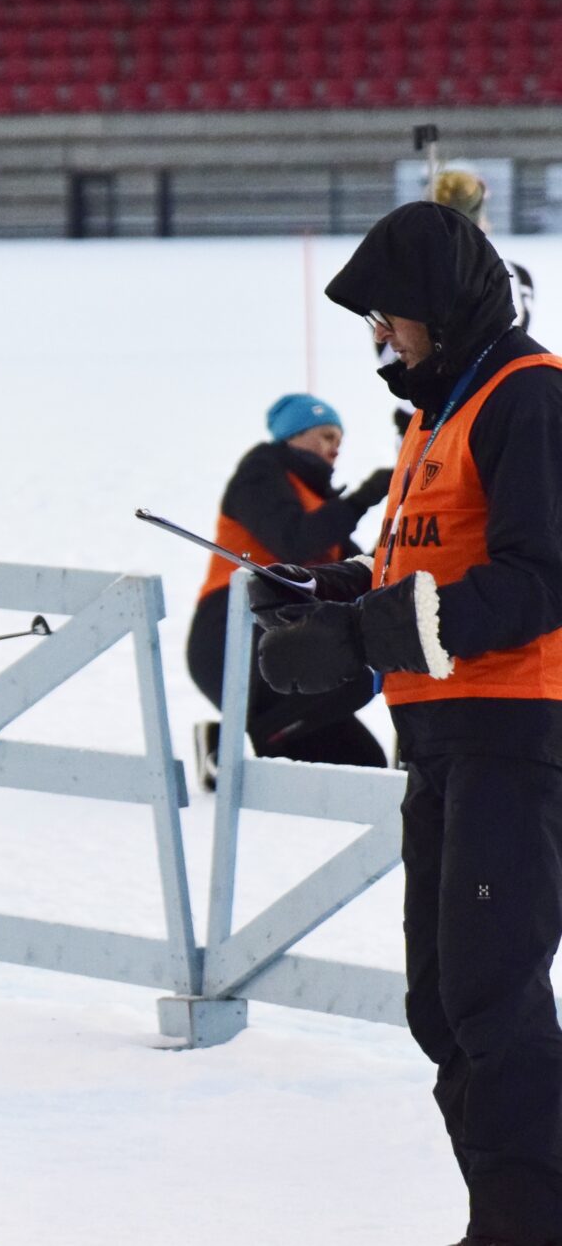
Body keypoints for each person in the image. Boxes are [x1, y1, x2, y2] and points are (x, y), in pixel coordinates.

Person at [255, 201, 562, 1246]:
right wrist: (334, 592)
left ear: (441, 306)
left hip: (513, 733)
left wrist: (365, 638)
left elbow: (535, 579)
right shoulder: (442, 409)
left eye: (392, 321)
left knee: (489, 996)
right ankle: (505, 1211)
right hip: (436, 737)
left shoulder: (526, 398)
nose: (382, 344)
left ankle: (524, 1222)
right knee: (440, 1010)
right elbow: (425, 570)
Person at [184, 393, 392, 781]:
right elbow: (294, 541)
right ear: (295, 435)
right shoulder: (261, 472)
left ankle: (229, 747)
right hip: (230, 630)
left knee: (365, 766)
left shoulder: (322, 503)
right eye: (327, 435)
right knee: (350, 673)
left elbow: (357, 572)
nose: (336, 446)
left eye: (340, 439)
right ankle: (235, 746)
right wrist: (365, 497)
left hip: (286, 634)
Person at [376, 165, 535, 437]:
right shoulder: (511, 275)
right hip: (439, 412)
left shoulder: (508, 275)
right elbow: (392, 353)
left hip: (473, 408)